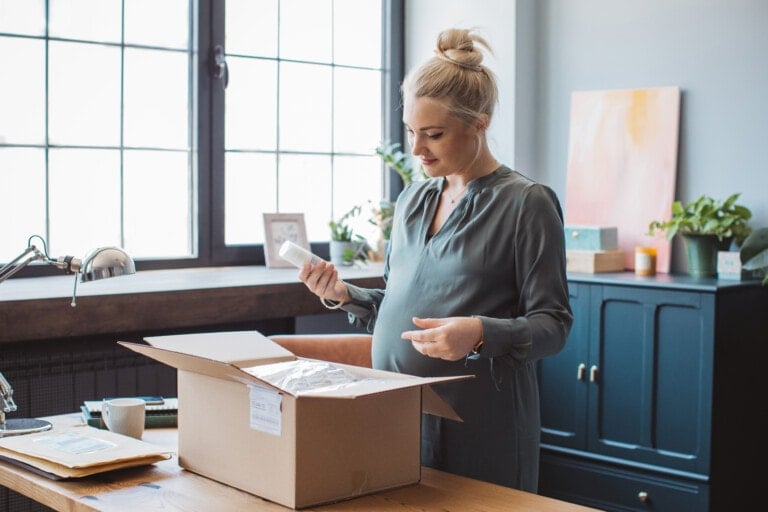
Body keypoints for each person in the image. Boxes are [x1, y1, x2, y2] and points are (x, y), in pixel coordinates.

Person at [298, 27, 572, 493]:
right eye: (410, 132)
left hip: (481, 426)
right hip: (398, 416)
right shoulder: (411, 200)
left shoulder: (527, 203)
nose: (417, 149)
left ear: (479, 123)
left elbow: (554, 324)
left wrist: (481, 333)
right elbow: (401, 304)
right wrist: (345, 296)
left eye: (434, 134)